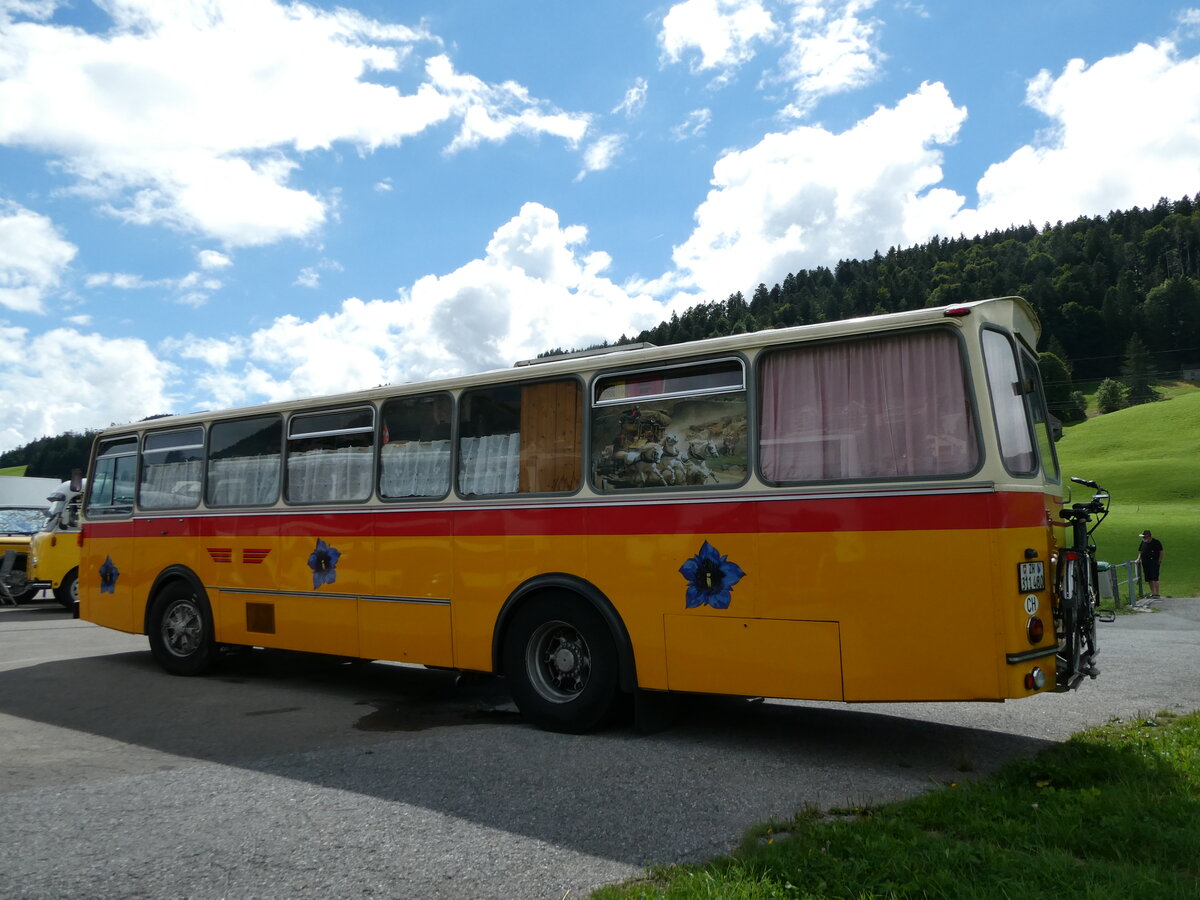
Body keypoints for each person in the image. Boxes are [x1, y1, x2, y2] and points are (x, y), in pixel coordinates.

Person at [1137, 529, 1164, 598]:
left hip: (1154, 562)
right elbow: (1141, 552)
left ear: (1148, 536)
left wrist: (1159, 561)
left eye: (1144, 537)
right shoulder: (1143, 542)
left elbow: (1161, 552)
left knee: (1155, 578)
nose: (1143, 538)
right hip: (1145, 562)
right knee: (1149, 578)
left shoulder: (1156, 542)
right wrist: (1138, 559)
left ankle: (1157, 593)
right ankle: (1153, 593)